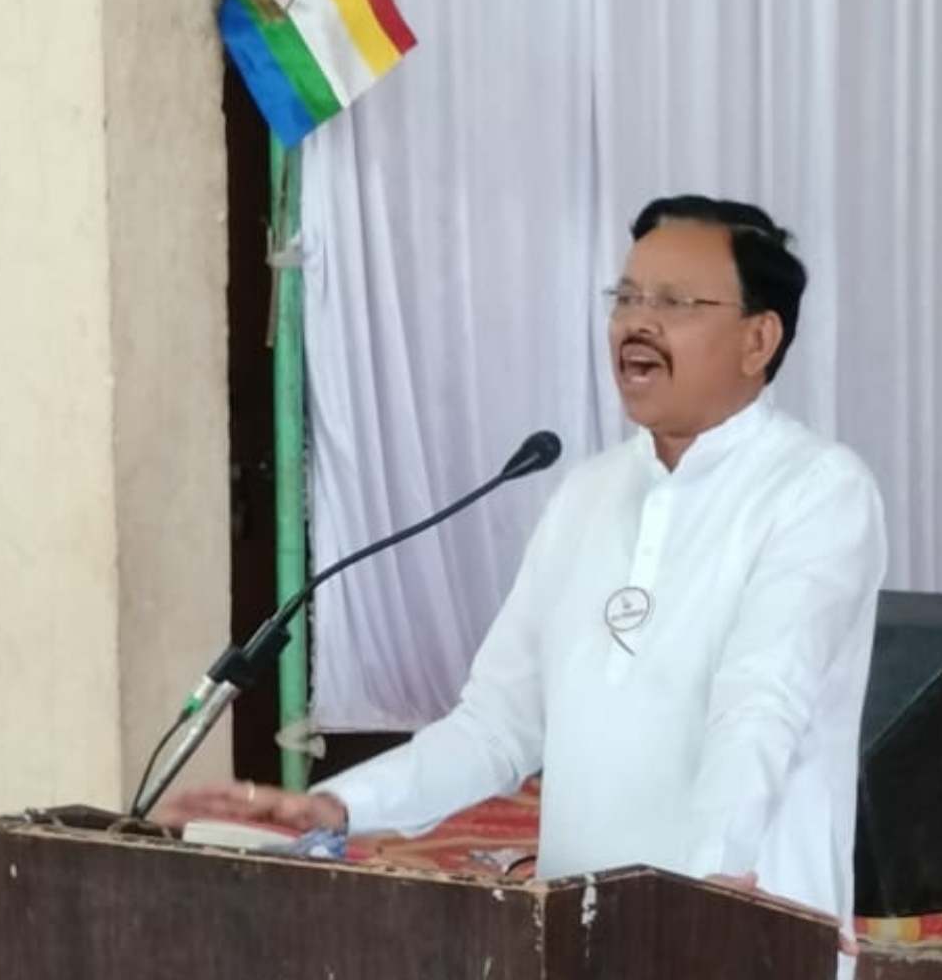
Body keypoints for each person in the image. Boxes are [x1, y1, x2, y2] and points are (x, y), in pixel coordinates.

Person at [159, 194, 887, 970]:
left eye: (675, 303)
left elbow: (760, 706)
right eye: (626, 298)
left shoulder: (817, 490)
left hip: (742, 943)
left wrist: (708, 892)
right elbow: (496, 728)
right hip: (584, 942)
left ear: (758, 338)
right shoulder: (587, 495)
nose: (637, 323)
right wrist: (340, 806)